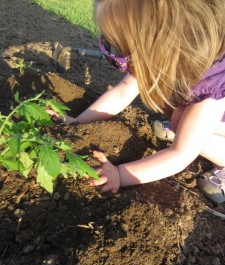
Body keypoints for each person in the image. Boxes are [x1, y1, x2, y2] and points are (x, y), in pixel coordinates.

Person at [49, 0, 225, 203]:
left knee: (180, 122)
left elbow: (180, 155)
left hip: (217, 115)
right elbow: (123, 92)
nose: (119, 55)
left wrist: (119, 175)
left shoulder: (212, 87)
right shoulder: (163, 56)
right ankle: (185, 127)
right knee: (177, 115)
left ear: (158, 46)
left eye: (122, 49)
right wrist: (77, 124)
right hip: (201, 109)